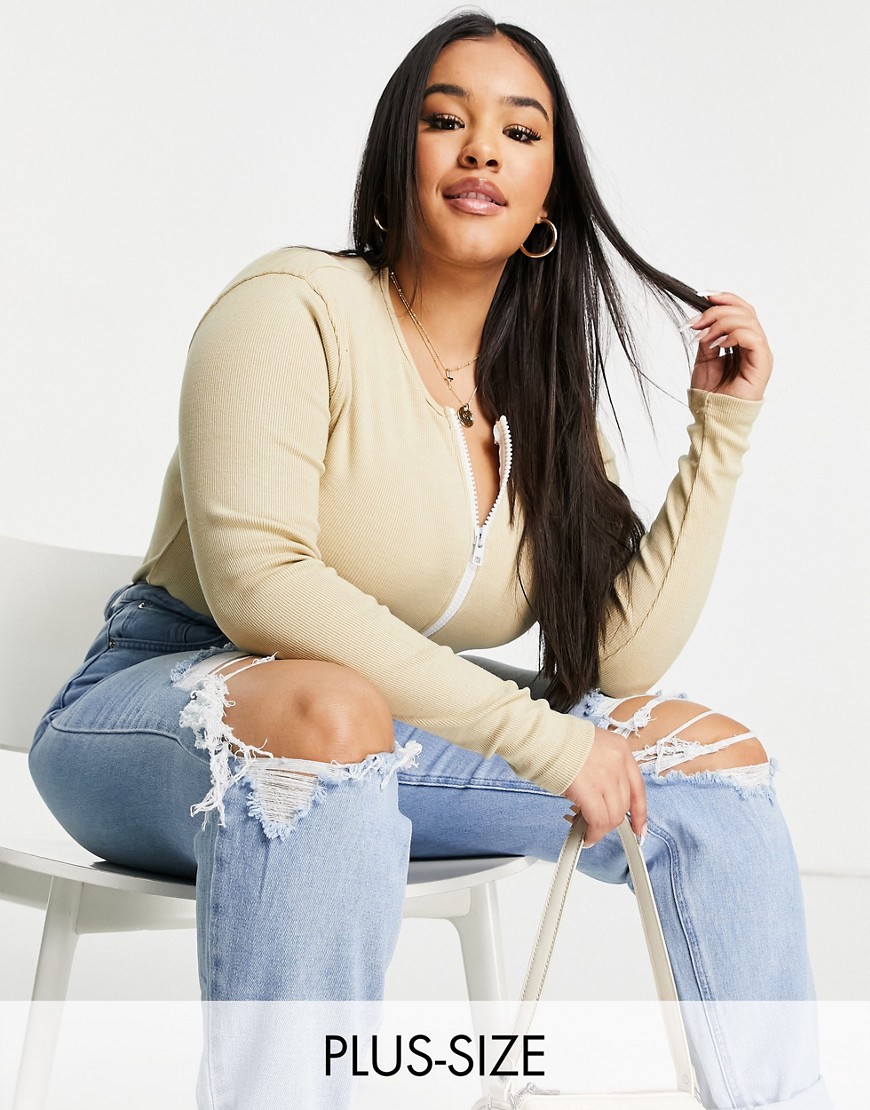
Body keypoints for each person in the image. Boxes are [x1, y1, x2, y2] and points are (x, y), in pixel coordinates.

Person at [27, 10, 832, 1110]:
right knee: (330, 714)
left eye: (521, 132)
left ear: (549, 199)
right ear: (395, 151)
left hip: (388, 724)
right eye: (446, 120)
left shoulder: (541, 398)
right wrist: (539, 740)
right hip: (164, 709)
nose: (482, 149)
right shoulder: (292, 308)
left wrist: (720, 433)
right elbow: (260, 586)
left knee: (714, 763)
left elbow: (619, 661)